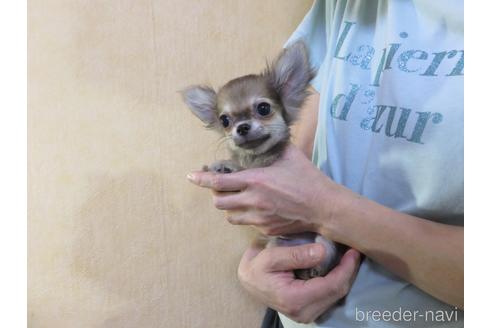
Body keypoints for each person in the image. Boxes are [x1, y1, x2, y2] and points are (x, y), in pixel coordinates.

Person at [187, 0, 464, 326]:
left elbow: (306, 198)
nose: (244, 125)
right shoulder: (340, 5)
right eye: (227, 121)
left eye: (261, 110)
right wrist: (260, 266)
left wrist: (323, 209)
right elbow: (291, 174)